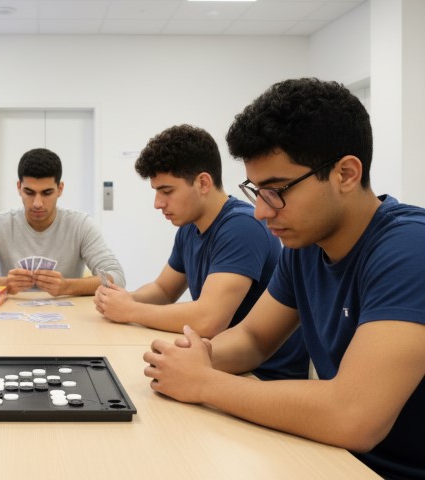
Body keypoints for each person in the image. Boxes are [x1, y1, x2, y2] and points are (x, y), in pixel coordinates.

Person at [143, 78, 425, 479]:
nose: (261, 211)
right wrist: (196, 358)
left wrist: (204, 383)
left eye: (277, 190)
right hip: (331, 457)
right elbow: (253, 338)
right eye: (256, 190)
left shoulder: (410, 248)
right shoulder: (305, 245)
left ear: (345, 173)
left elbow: (353, 416)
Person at [95, 125, 308, 380]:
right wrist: (122, 300)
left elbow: (209, 319)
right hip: (218, 362)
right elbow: (164, 290)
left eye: (166, 191)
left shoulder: (242, 226)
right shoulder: (190, 227)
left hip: (261, 375)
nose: (158, 203)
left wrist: (130, 310)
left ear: (203, 183)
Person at [0, 148, 125, 296]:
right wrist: (4, 283)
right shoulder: (0, 225)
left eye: (47, 192)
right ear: (19, 187)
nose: (37, 203)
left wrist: (67, 287)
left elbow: (116, 277)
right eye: (29, 192)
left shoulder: (81, 225)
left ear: (60, 189)